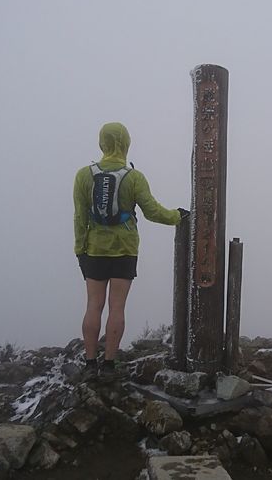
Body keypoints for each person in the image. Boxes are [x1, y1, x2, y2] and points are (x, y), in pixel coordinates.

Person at [73, 122, 188, 381]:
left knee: (93, 305)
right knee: (117, 307)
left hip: (94, 249)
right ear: (126, 143)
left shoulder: (83, 175)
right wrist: (177, 217)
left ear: (102, 142)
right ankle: (109, 366)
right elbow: (152, 211)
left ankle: (90, 364)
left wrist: (80, 249)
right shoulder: (134, 177)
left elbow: (80, 218)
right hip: (125, 249)